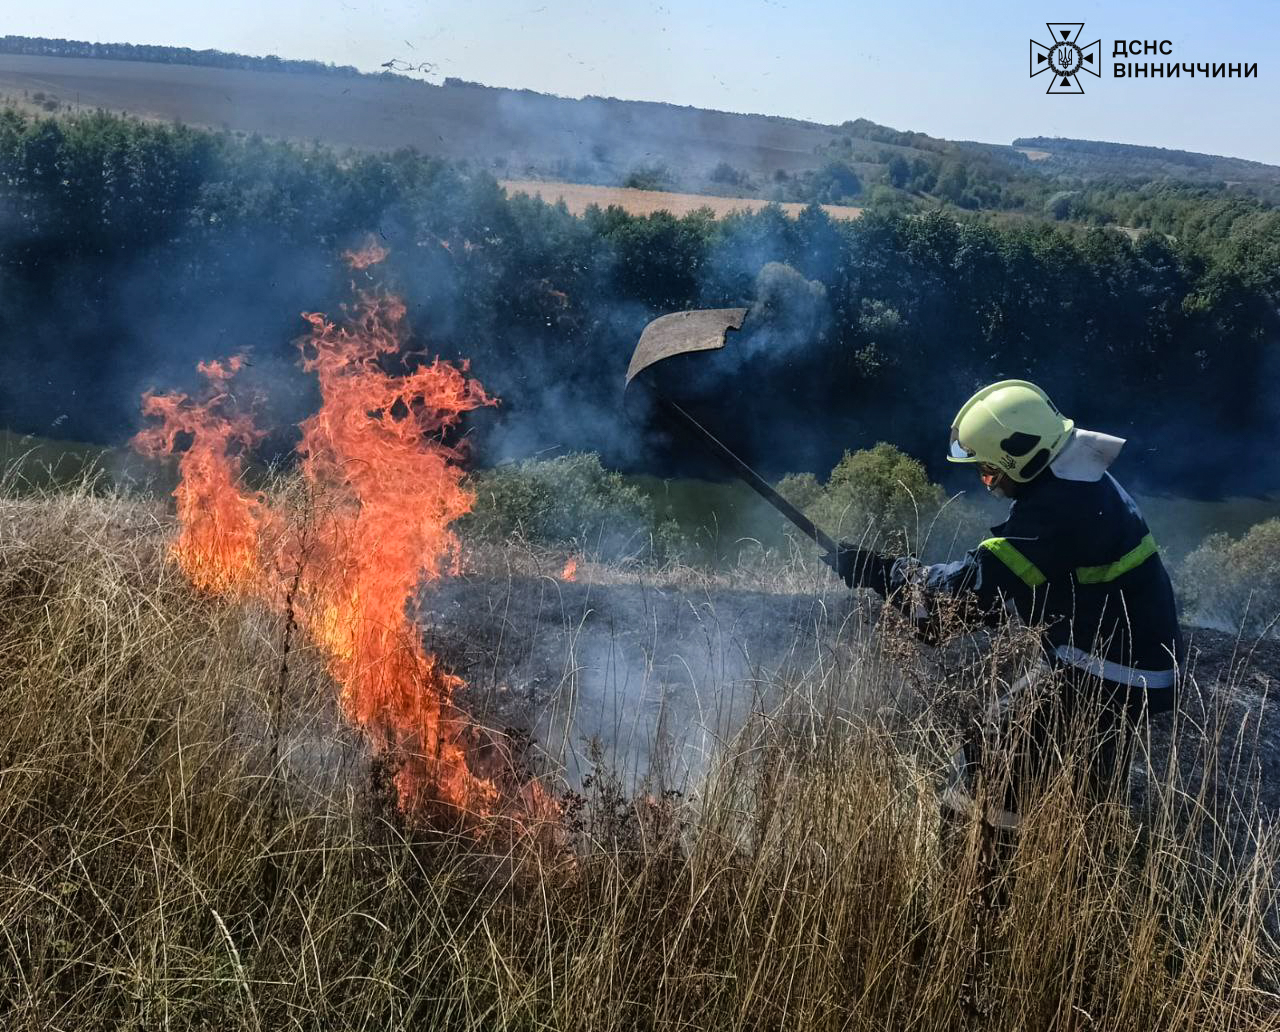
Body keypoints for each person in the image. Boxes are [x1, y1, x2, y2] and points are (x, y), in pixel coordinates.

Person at [823, 379, 1183, 828]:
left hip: (1108, 669)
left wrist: (879, 571)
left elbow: (967, 591)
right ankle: (1079, 843)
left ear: (1025, 456)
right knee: (1077, 773)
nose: (987, 482)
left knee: (988, 753)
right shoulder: (1076, 473)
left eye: (991, 471)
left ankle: (983, 868)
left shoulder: (1056, 509)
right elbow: (1002, 593)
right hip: (1128, 661)